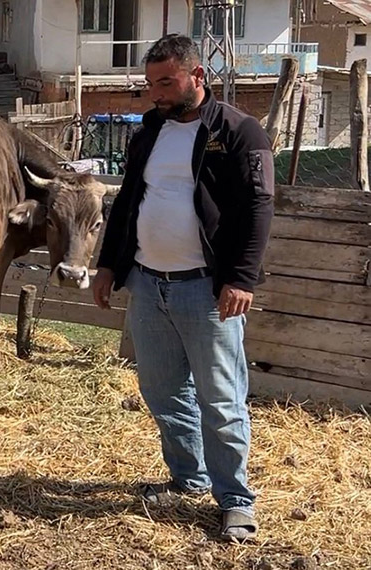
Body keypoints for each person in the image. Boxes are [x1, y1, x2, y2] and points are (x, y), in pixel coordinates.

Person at [92, 33, 274, 543]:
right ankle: (188, 478)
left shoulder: (240, 131)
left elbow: (259, 209)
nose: (157, 93)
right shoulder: (150, 129)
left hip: (205, 290)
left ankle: (235, 500)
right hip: (149, 284)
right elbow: (128, 200)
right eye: (151, 84)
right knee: (163, 391)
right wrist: (109, 265)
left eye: (166, 82)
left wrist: (241, 277)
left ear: (198, 76)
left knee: (220, 398)